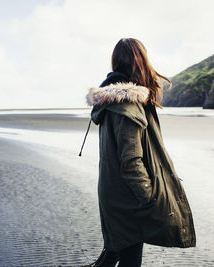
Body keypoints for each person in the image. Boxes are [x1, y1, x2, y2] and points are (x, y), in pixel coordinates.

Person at [78, 38, 196, 266]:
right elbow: (131, 161)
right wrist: (149, 197)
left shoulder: (110, 102)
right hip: (127, 197)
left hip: (111, 190)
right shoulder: (127, 105)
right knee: (130, 260)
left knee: (112, 253)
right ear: (140, 62)